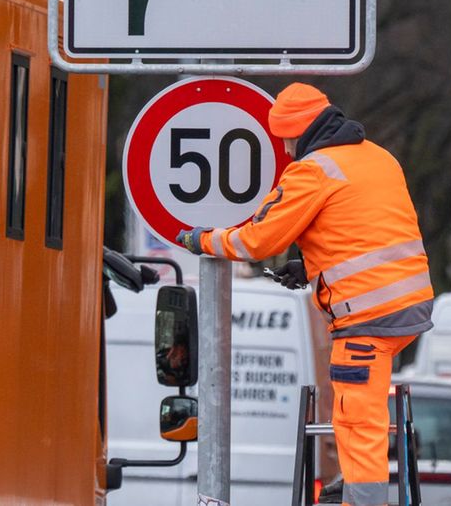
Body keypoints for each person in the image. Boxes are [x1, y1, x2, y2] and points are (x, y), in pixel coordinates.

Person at [174, 82, 433, 506]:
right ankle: (354, 485)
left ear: (296, 134)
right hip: (409, 305)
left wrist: (203, 240)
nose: (287, 151)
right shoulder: (379, 158)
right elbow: (362, 231)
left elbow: (257, 242)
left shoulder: (313, 170)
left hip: (366, 318)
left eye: (286, 142)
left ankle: (363, 500)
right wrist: (312, 266)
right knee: (360, 416)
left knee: (356, 421)